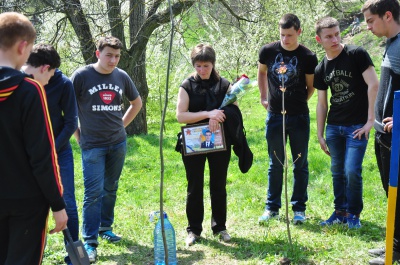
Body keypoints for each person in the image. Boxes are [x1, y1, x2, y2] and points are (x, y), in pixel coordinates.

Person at [0, 12, 68, 264]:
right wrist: (58, 204)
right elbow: (43, 156)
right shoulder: (30, 90)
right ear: (22, 46)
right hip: (27, 203)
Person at [71, 36, 142, 262]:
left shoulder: (121, 76)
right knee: (92, 193)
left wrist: (121, 126)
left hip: (118, 143)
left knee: (110, 187)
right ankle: (90, 242)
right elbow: (67, 108)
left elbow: (136, 103)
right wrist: (78, 135)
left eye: (117, 56)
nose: (113, 60)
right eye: (109, 55)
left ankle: (105, 228)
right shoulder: (81, 76)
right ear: (97, 53)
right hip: (92, 145)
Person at [314, 16, 379, 229]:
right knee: (337, 171)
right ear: (319, 39)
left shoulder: (356, 54)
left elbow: (373, 85)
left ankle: (353, 214)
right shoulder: (321, 68)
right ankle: (340, 212)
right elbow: (322, 104)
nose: (334, 40)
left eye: (337, 34)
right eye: (329, 36)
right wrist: (320, 134)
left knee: (352, 170)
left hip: (357, 126)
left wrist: (371, 121)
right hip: (334, 127)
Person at [257, 13, 318, 225]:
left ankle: (299, 208)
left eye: (290, 35)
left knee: (300, 163)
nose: (285, 39)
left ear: (299, 32)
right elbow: (262, 72)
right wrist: (263, 96)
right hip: (274, 117)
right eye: (282, 35)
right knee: (275, 163)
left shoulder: (308, 57)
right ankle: (272, 207)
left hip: (299, 117)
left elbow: (310, 87)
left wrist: (298, 102)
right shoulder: (268, 51)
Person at [23, 43, 79, 265]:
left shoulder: (63, 84)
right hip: (28, 154)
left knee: (68, 203)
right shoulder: (22, 82)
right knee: (32, 203)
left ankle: (73, 253)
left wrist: (51, 149)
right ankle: (34, 254)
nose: (52, 75)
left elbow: (71, 121)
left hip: (59, 150)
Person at [176, 43, 235, 246]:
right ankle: (194, 230)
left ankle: (220, 227)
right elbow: (180, 115)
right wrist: (208, 114)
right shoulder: (187, 86)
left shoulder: (224, 85)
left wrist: (218, 116)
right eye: (198, 66)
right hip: (193, 142)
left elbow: (234, 111)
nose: (202, 70)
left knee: (218, 185)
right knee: (194, 186)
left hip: (219, 140)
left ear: (213, 64)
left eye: (206, 66)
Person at [362, 0, 400, 263]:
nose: (368, 27)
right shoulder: (391, 43)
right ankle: (393, 243)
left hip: (395, 136)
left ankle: (395, 250)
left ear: (388, 15)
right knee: (391, 191)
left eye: (370, 20)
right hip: (383, 134)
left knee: (398, 192)